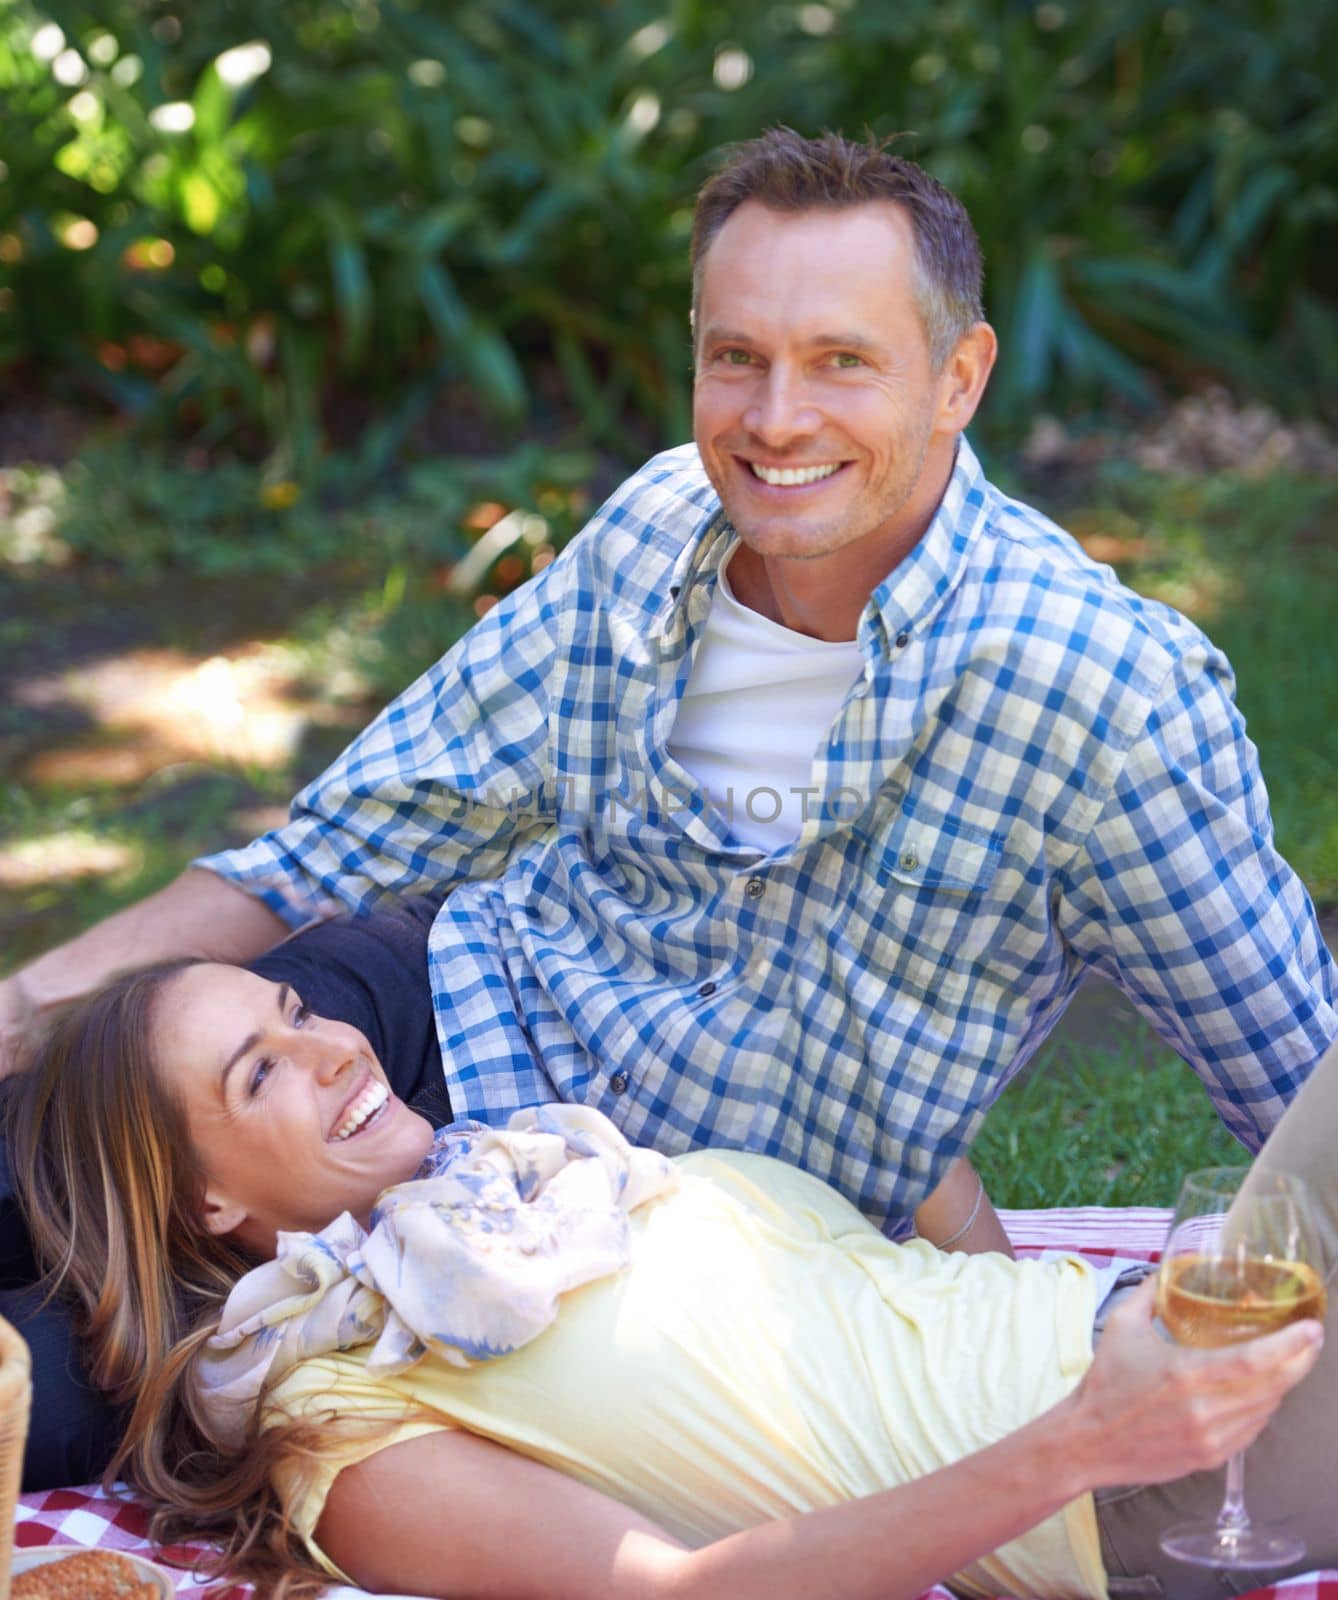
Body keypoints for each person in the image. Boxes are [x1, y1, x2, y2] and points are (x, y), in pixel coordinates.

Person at [2, 132, 1333, 1228]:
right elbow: (333, 850)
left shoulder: (1098, 699)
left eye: (841, 362)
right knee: (35, 1174)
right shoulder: (656, 529)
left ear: (958, 377)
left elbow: (1295, 1077)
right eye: (734, 356)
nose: (771, 419)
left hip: (648, 1242)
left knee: (76, 1386)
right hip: (427, 1026)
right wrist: (17, 1012)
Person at [6, 961, 1337, 1600]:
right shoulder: (337, 1416)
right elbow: (691, 1596)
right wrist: (1080, 1446)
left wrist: (920, 1156)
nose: (336, 1051)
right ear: (202, 1202)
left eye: (297, 1015)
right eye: (259, 1072)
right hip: (1151, 1486)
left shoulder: (540, 1176)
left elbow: (928, 1322)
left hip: (1151, 1341)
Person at [0, 897, 1004, 1490]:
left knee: (66, 1388)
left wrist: (993, 1289)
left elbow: (906, 1139)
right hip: (443, 999)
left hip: (362, 1161)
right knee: (70, 1141)